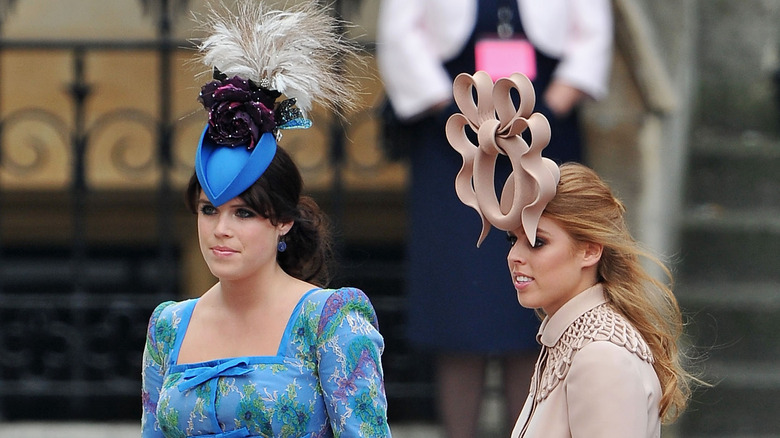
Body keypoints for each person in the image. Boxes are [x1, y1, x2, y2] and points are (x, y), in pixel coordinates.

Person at [141, 2, 391, 437]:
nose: (221, 229)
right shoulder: (168, 326)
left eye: (244, 212)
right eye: (209, 210)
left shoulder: (330, 320)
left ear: (283, 221)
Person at [376, 0, 612, 436]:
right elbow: (400, 32)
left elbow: (593, 34)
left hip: (546, 144)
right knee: (459, 312)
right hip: (453, 147)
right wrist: (453, 111)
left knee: (539, 312)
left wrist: (551, 110)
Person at [446, 71, 694, 437]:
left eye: (538, 241)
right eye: (512, 240)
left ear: (590, 250)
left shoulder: (600, 355)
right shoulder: (571, 339)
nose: (515, 256)